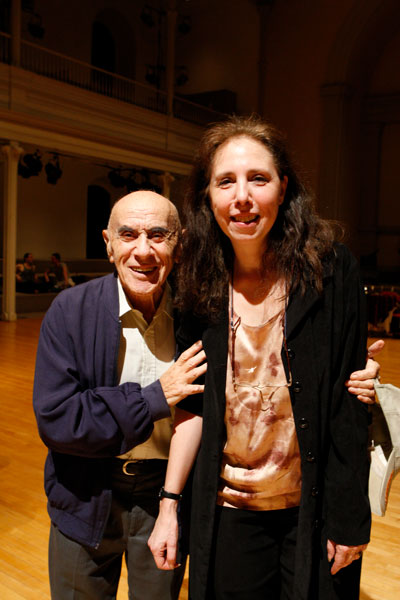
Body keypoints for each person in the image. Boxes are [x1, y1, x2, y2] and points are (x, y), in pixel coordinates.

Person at [149, 116, 376, 600]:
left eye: (258, 178)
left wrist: (349, 514)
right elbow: (193, 403)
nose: (242, 197)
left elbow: (349, 403)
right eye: (225, 181)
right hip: (228, 511)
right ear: (208, 195)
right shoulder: (197, 279)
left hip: (312, 507)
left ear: (283, 187)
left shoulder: (331, 270)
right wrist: (169, 504)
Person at [33, 191, 207, 600]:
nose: (143, 251)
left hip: (165, 496)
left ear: (179, 245)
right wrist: (154, 397)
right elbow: (59, 420)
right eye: (128, 235)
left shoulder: (197, 316)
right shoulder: (70, 310)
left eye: (158, 235)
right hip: (84, 494)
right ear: (108, 244)